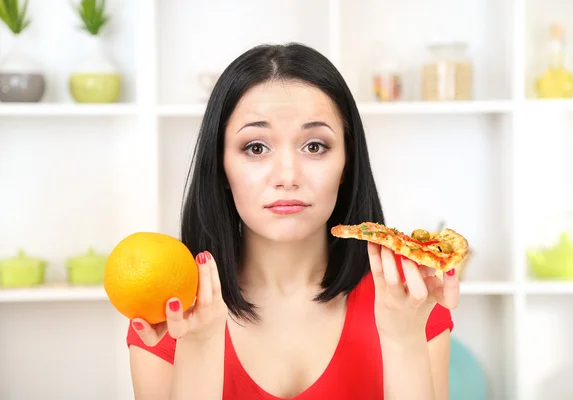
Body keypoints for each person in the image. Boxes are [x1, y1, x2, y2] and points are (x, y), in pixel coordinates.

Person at [126, 42, 460, 400]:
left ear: (347, 162)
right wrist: (200, 345)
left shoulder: (411, 301)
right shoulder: (171, 312)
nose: (287, 176)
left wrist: (403, 338)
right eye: (256, 147)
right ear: (220, 165)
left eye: (314, 146)